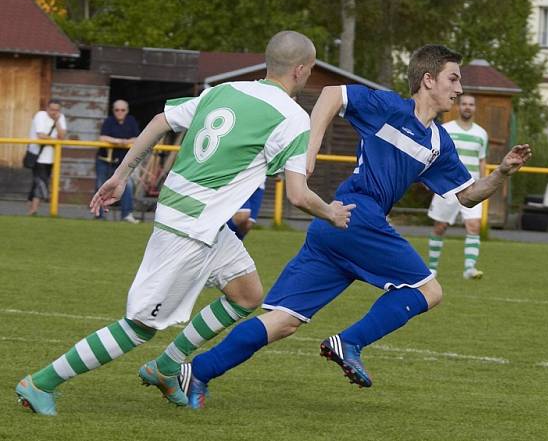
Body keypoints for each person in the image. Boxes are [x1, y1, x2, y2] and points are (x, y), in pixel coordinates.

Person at [15, 31, 354, 416]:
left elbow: (162, 120)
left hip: (196, 220)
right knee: (139, 327)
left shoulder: (224, 91)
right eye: (310, 71)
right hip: (190, 229)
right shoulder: (293, 117)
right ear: (300, 69)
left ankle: (167, 366)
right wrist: (331, 212)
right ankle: (41, 382)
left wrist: (123, 174)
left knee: (247, 293)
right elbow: (297, 194)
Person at [181, 44, 531, 409]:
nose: (459, 89)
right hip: (357, 214)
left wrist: (502, 172)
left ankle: (198, 372)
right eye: (453, 78)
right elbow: (333, 93)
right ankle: (349, 343)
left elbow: (468, 195)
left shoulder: (439, 142)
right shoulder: (391, 108)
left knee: (283, 321)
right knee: (429, 291)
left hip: (336, 224)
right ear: (428, 80)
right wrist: (310, 148)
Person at [426, 93, 489, 279]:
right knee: (440, 227)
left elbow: (482, 161)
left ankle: (469, 269)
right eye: (464, 104)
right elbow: (433, 156)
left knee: (474, 225)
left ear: (475, 108)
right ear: (458, 107)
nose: (467, 107)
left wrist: (484, 184)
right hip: (447, 185)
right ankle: (432, 268)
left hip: (472, 187)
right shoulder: (445, 129)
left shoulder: (481, 134)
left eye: (471, 104)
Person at [96, 99, 141, 223]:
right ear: (113, 110)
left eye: (122, 110)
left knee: (128, 187)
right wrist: (119, 141)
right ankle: (99, 215)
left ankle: (127, 215)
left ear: (127, 111)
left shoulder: (131, 121)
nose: (120, 112)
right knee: (101, 187)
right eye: (117, 110)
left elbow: (137, 138)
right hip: (105, 160)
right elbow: (102, 137)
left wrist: (125, 142)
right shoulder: (108, 121)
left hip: (123, 163)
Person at [26, 101, 67, 216]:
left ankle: (30, 208)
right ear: (47, 108)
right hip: (37, 156)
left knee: (38, 183)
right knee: (41, 183)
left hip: (52, 157)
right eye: (52, 109)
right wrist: (55, 140)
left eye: (57, 110)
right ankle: (33, 209)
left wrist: (57, 121)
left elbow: (62, 136)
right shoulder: (40, 115)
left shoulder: (60, 118)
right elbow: (41, 135)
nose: (54, 112)